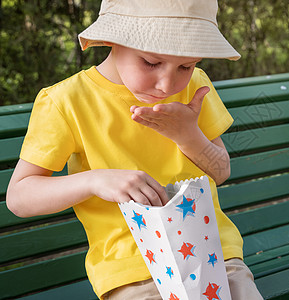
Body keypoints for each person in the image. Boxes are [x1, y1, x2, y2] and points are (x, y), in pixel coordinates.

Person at [6, 0, 263, 299]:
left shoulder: (195, 88)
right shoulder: (67, 102)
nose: (167, 84)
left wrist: (187, 134)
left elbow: (220, 172)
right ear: (113, 39)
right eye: (151, 62)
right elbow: (19, 197)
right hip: (132, 273)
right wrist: (94, 179)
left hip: (214, 255)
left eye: (185, 66)